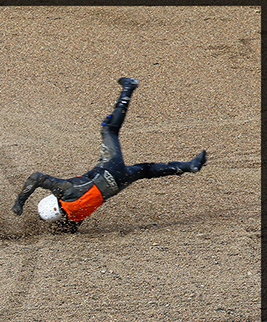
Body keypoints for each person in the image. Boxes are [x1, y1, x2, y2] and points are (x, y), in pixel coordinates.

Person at [11, 77, 207, 233]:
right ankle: (128, 88)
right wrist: (20, 202)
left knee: (147, 170)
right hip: (109, 167)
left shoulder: (75, 218)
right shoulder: (65, 190)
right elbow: (36, 178)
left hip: (118, 184)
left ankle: (189, 166)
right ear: (52, 199)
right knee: (109, 130)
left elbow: (66, 230)